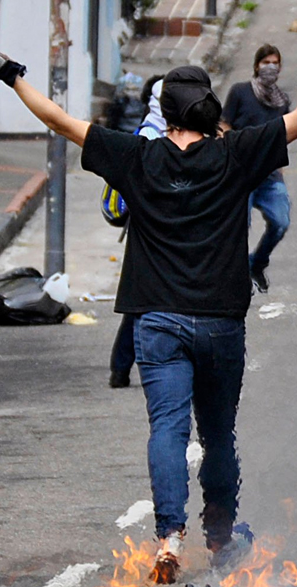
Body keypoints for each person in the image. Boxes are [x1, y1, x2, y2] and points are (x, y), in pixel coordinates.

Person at [0, 35, 297, 583]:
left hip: (157, 321)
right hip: (221, 320)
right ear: (211, 110)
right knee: (219, 436)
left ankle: (169, 538)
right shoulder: (238, 152)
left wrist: (5, 70)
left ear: (164, 112)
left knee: (167, 431)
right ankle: (222, 542)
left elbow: (57, 118)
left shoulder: (135, 157)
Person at [105, 75, 168, 389]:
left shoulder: (158, 133)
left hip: (153, 230)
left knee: (142, 303)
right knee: (144, 303)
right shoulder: (149, 138)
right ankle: (129, 366)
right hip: (148, 230)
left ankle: (122, 367)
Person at [221, 44, 293, 294]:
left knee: (281, 221)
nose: (270, 67)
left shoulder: (282, 102)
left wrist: (280, 169)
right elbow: (224, 125)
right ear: (256, 66)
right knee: (240, 227)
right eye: (266, 63)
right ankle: (236, 278)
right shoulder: (240, 92)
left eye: (275, 63)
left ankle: (257, 263)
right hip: (241, 173)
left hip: (270, 175)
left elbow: (282, 137)